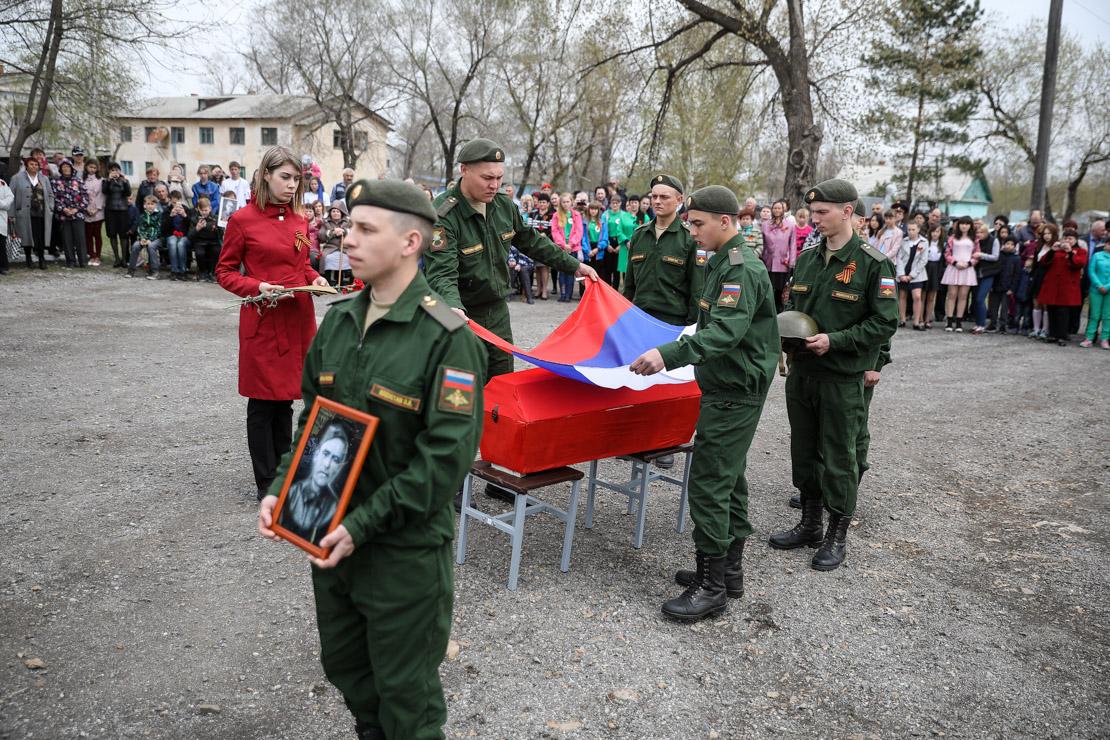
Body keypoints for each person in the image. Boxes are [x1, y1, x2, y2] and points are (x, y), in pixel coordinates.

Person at [258, 177, 486, 740]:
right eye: (347, 226)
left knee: (406, 697)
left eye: (364, 229)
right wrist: (282, 489)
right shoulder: (337, 321)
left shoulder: (448, 337)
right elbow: (312, 422)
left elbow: (443, 462)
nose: (346, 239)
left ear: (411, 242)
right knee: (349, 672)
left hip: (401, 553)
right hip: (329, 540)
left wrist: (362, 524)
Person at [630, 185, 778, 620]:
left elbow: (724, 333)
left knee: (711, 481)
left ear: (725, 222)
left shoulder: (740, 268)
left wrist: (667, 355)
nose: (691, 231)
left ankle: (710, 586)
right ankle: (727, 572)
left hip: (735, 390)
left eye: (697, 223)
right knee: (730, 479)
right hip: (725, 385)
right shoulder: (719, 262)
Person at [768, 179, 897, 572]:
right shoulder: (807, 259)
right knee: (804, 450)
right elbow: (795, 313)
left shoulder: (873, 263)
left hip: (841, 376)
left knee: (840, 455)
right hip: (803, 375)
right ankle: (809, 522)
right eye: (813, 212)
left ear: (847, 212)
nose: (815, 219)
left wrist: (836, 341)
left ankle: (836, 534)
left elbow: (885, 322)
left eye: (823, 212)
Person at [424, 138, 596, 375]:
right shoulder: (443, 215)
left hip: (497, 312)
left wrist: (574, 265)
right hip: (462, 314)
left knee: (503, 378)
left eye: (499, 178)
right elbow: (442, 272)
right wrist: (453, 307)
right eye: (487, 178)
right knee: (461, 383)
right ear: (464, 170)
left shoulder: (503, 205)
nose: (495, 185)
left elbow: (531, 241)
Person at [216, 145, 329, 500]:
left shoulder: (300, 219)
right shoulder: (242, 220)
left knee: (286, 399)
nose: (293, 185)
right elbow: (224, 271)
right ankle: (267, 483)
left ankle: (286, 473)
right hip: (264, 319)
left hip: (297, 318)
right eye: (285, 177)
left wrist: (317, 278)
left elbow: (302, 265)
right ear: (266, 175)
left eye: (297, 178)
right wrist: (257, 286)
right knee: (263, 402)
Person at [623, 174, 702, 326]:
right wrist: (625, 317)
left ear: (679, 200)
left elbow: (697, 289)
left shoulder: (690, 237)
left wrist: (691, 327)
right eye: (654, 196)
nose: (657, 201)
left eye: (664, 197)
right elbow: (629, 285)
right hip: (639, 317)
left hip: (672, 322)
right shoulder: (640, 234)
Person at [278, 421, 351, 545]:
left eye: (336, 459)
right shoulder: (292, 493)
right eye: (326, 454)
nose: (327, 464)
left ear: (340, 466)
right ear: (316, 455)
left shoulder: (335, 505)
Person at [1038, 228, 1087, 346]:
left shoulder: (1080, 251)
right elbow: (1044, 262)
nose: (1067, 241)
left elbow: (1079, 264)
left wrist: (1070, 252)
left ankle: (1062, 335)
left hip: (1067, 287)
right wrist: (1052, 251)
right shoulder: (1057, 250)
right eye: (1065, 238)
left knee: (1063, 311)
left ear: (1076, 240)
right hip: (1053, 285)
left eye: (1070, 239)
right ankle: (1052, 334)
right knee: (1051, 310)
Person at [9, 154, 53, 270]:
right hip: (24, 214)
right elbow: (11, 197)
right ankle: (28, 258)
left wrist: (50, 208)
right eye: (31, 164)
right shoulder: (17, 178)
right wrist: (11, 214)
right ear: (26, 166)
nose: (34, 166)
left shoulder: (44, 178)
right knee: (27, 236)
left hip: (42, 213)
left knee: (41, 237)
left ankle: (41, 259)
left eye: (36, 165)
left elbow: (50, 195)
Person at [51, 158, 89, 268]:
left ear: (71, 168)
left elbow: (85, 197)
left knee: (80, 239)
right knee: (67, 240)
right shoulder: (55, 182)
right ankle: (71, 261)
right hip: (63, 216)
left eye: (68, 167)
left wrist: (77, 209)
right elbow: (53, 198)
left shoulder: (79, 181)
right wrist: (63, 209)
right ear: (60, 169)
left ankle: (83, 262)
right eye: (63, 167)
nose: (66, 169)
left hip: (78, 214)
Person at [941, 216, 977, 332]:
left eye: (967, 224)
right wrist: (955, 262)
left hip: (967, 269)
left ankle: (959, 321)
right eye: (962, 224)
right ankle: (949, 320)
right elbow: (947, 254)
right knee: (952, 295)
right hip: (953, 268)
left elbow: (976, 255)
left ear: (970, 226)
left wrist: (969, 263)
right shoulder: (952, 238)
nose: (964, 226)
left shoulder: (974, 239)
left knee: (963, 296)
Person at [760, 199, 796, 312]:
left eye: (779, 208)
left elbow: (793, 244)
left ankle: (779, 307)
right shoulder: (765, 225)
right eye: (774, 208)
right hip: (768, 260)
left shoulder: (790, 225)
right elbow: (762, 243)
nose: (776, 210)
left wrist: (792, 261)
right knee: (768, 286)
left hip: (782, 260)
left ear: (783, 210)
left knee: (780, 287)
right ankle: (767, 307)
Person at [550, 193, 584, 302]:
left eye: (567, 202)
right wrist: (563, 244)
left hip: (572, 248)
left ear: (571, 202)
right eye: (563, 202)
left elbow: (579, 231)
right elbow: (555, 231)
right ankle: (563, 294)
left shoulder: (577, 215)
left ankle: (568, 295)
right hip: (561, 248)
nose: (565, 204)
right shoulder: (556, 215)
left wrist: (571, 244)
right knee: (562, 272)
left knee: (570, 271)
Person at [970, 223, 1001, 334]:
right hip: (975, 273)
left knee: (980, 299)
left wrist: (981, 255)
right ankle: (977, 323)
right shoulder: (975, 242)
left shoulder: (994, 241)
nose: (979, 235)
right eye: (977, 232)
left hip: (988, 274)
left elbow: (995, 257)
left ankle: (982, 324)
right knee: (975, 300)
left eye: (981, 232)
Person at [1080, 238, 1110, 348]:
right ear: (1105, 245)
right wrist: (1099, 285)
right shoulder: (1097, 256)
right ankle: (1089, 337)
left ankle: (1105, 339)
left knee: (1107, 316)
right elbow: (1091, 271)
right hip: (1095, 290)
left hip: (1109, 291)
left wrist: (1107, 286)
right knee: (1094, 315)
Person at [897, 222, 928, 330]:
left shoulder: (924, 242)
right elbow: (899, 258)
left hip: (917, 275)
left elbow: (923, 260)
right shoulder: (903, 241)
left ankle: (916, 322)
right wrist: (901, 274)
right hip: (903, 273)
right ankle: (902, 319)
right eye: (909, 230)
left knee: (917, 296)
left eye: (913, 229)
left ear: (918, 230)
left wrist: (911, 276)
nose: (911, 232)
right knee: (902, 296)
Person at [602, 194, 635, 290]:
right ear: (610, 203)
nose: (615, 205)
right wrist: (607, 244)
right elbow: (604, 231)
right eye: (613, 203)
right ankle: (607, 289)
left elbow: (624, 231)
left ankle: (615, 290)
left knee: (617, 269)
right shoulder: (606, 214)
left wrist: (621, 245)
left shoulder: (623, 215)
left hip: (620, 243)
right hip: (608, 242)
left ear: (620, 203)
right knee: (608, 269)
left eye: (617, 203)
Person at [990, 236, 1022, 333]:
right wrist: (991, 285)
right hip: (996, 285)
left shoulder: (1016, 258)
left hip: (1007, 286)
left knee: (1004, 307)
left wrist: (1012, 288)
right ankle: (993, 323)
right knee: (993, 306)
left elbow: (1017, 275)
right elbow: (994, 271)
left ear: (1015, 246)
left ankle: (1003, 325)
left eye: (1012, 244)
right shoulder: (999, 255)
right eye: (1007, 244)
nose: (1009, 246)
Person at [128, 195, 163, 279]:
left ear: (156, 205)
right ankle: (131, 271)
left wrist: (150, 239)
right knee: (135, 246)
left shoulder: (159, 215)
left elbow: (158, 229)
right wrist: (142, 239)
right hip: (145, 238)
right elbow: (142, 229)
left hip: (157, 238)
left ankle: (155, 272)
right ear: (145, 205)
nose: (150, 206)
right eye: (148, 204)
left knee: (151, 246)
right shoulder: (143, 215)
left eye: (152, 204)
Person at [319, 201, 353, 287]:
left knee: (352, 257)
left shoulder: (348, 222)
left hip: (345, 248)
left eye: (338, 211)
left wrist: (344, 231)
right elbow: (321, 235)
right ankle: (328, 281)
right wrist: (332, 232)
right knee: (325, 258)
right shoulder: (326, 222)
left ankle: (349, 282)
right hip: (331, 248)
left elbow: (354, 233)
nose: (335, 213)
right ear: (330, 212)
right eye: (333, 211)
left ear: (341, 213)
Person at [162, 191, 194, 281]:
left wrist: (185, 216)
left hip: (185, 235)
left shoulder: (187, 210)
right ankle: (174, 270)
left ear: (181, 200)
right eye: (173, 203)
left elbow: (192, 226)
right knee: (172, 243)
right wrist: (171, 216)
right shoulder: (167, 211)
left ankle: (183, 270)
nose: (176, 205)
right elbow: (163, 228)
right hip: (172, 234)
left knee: (180, 244)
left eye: (178, 202)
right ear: (170, 201)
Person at [189, 197, 221, 282]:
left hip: (213, 241)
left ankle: (213, 273)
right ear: (198, 209)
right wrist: (197, 228)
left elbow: (221, 231)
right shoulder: (194, 219)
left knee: (217, 251)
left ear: (210, 209)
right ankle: (202, 272)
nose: (204, 213)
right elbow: (190, 236)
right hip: (200, 242)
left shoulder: (215, 218)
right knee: (199, 253)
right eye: (202, 210)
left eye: (206, 210)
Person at [529, 193, 554, 300]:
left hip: (546, 243)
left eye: (544, 202)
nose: (542, 204)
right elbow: (529, 227)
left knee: (544, 267)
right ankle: (538, 289)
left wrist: (544, 234)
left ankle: (544, 290)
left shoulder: (552, 215)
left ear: (548, 203)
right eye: (540, 202)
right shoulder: (533, 214)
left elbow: (552, 229)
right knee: (537, 268)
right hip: (535, 243)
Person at [922, 223, 945, 329]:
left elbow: (942, 261)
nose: (935, 234)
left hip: (935, 270)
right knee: (923, 296)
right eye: (933, 231)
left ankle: (927, 319)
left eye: (937, 232)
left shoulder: (942, 245)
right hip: (925, 268)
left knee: (931, 297)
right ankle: (920, 319)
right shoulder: (925, 242)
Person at [83, 160, 105, 266]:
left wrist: (97, 209)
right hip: (86, 210)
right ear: (86, 167)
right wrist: (86, 208)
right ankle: (91, 255)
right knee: (88, 234)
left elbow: (102, 196)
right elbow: (81, 195)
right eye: (90, 167)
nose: (92, 169)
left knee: (97, 234)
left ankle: (98, 256)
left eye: (94, 168)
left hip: (98, 211)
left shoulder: (101, 180)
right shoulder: (82, 180)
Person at [582, 200, 609, 285]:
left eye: (595, 209)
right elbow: (582, 238)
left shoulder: (602, 223)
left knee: (598, 274)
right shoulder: (584, 223)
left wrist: (598, 249)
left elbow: (605, 238)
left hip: (598, 250)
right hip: (588, 250)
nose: (593, 211)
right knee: (586, 274)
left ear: (598, 210)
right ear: (588, 210)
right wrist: (587, 251)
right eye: (591, 209)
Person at [1013, 256, 1035, 335]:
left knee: (1027, 314)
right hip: (1019, 295)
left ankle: (1025, 327)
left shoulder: (1033, 274)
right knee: (1017, 313)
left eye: (1029, 261)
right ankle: (1015, 326)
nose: (1026, 262)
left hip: (1028, 298)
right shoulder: (1022, 272)